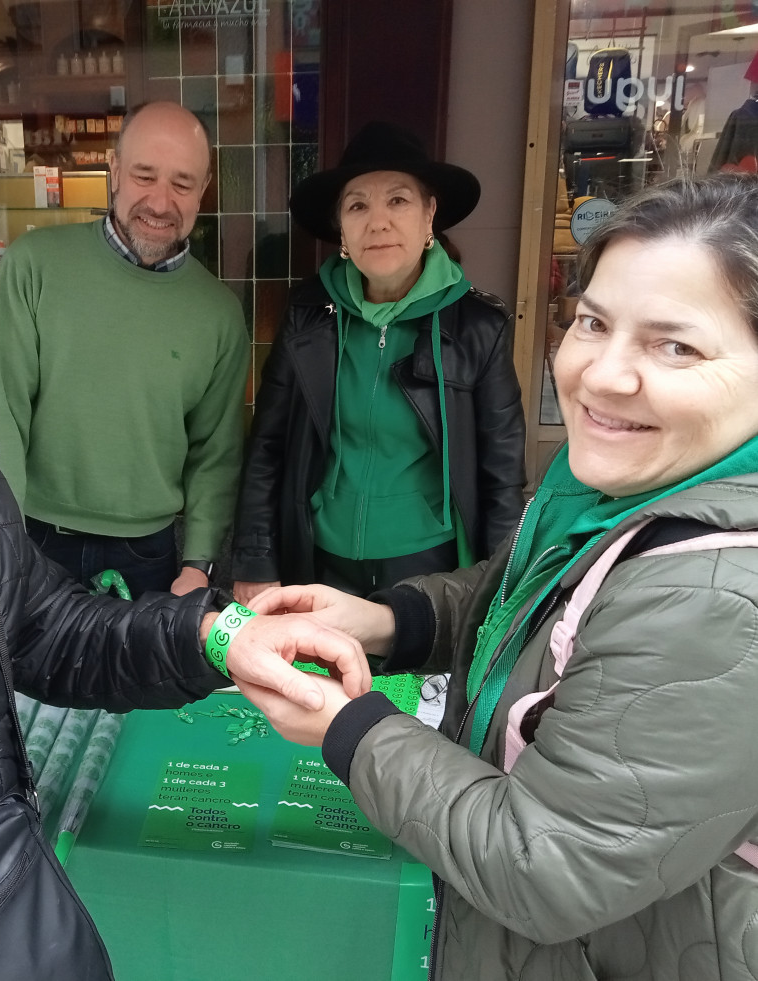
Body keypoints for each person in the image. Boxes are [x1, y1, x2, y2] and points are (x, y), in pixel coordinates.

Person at [0, 45, 367, 979]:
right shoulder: (36, 275)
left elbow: (46, 633)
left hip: (0, 911)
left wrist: (217, 634)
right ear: (111, 175)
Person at [241, 174, 758, 980]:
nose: (602, 374)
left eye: (674, 345)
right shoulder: (617, 491)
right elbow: (528, 597)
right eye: (592, 322)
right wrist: (383, 622)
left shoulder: (717, 593)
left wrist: (348, 727)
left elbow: (543, 865)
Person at [231, 121, 525, 604]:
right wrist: (255, 560)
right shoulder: (307, 315)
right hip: (319, 561)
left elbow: (503, 475)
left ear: (430, 214)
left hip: (428, 567)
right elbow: (268, 446)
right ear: (341, 228)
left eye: (398, 200)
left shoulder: (477, 325)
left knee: (409, 681)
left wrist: (503, 590)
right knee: (323, 680)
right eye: (358, 205)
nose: (378, 221)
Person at [0, 101, 249, 597]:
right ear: (115, 172)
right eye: (145, 176)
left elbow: (216, 452)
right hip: (33, 537)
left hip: (150, 552)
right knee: (29, 677)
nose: (161, 203)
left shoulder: (220, 313)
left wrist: (199, 563)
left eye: (182, 183)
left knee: (138, 679)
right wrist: (1, 544)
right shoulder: (35, 266)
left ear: (203, 191)